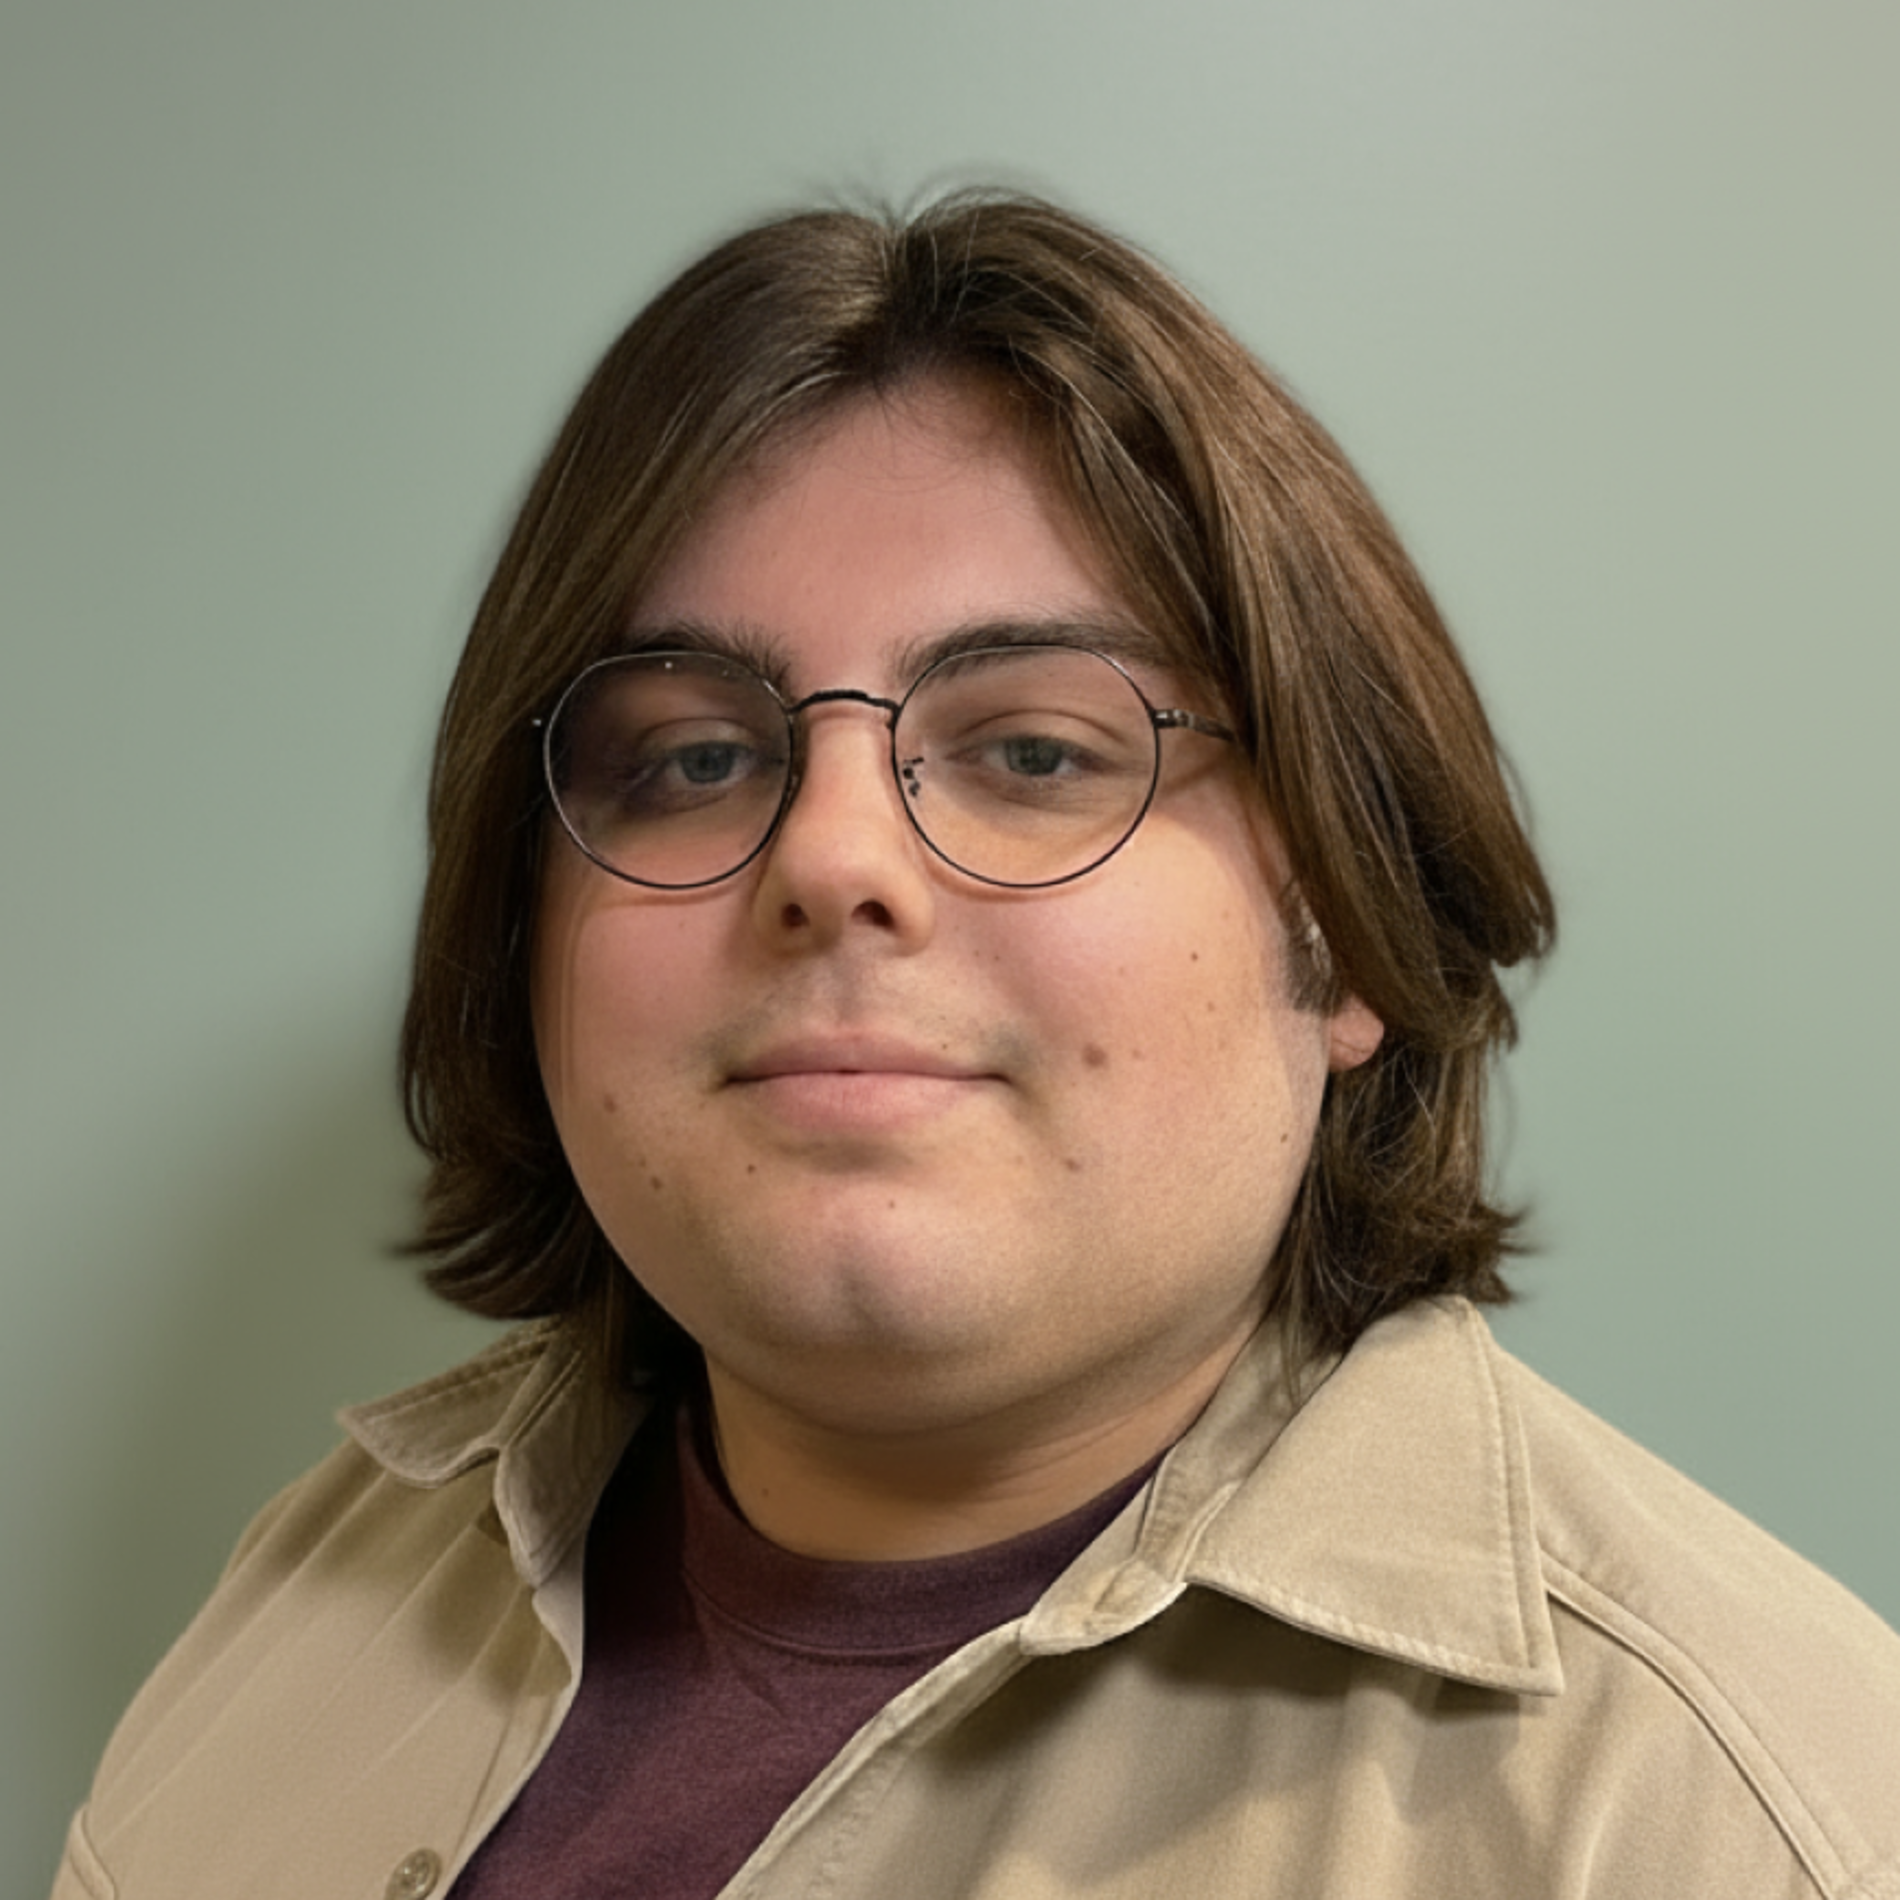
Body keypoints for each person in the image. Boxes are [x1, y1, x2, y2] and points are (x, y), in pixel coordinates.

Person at [53, 191, 1899, 1900]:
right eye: (695, 758)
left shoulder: (1729, 1816)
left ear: (1345, 924)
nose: (832, 858)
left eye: (1034, 750)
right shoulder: (320, 1585)